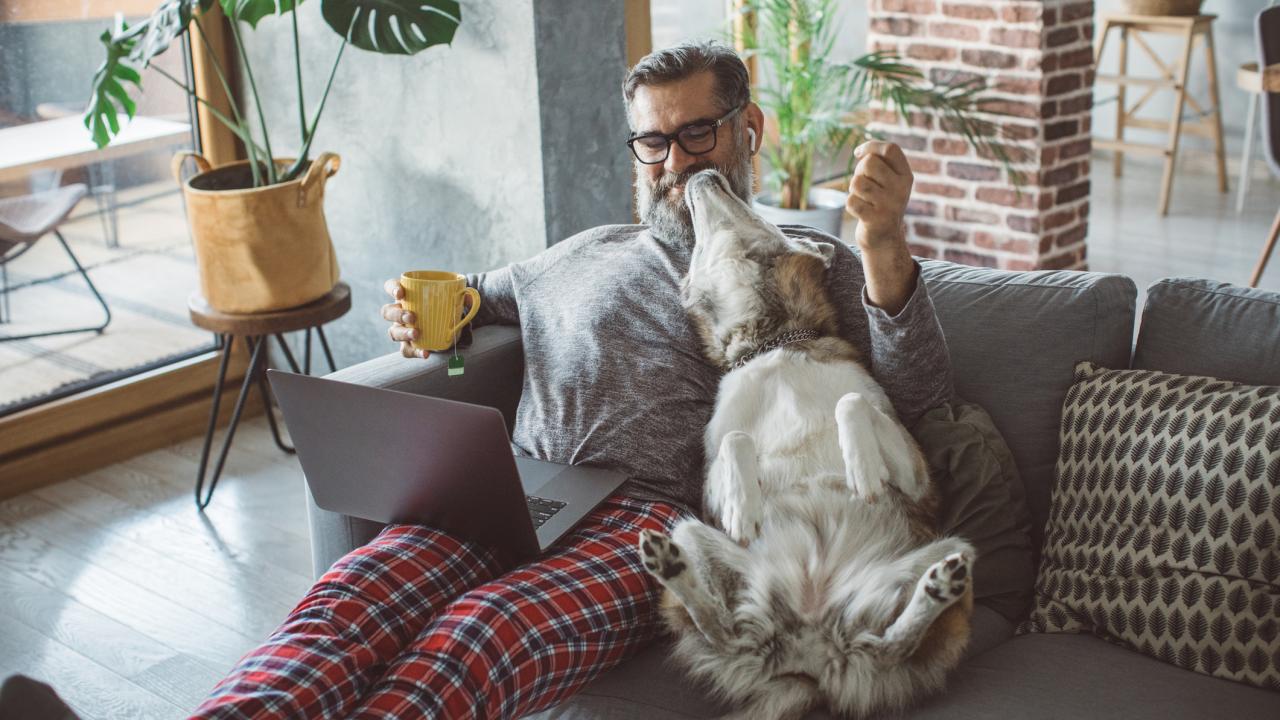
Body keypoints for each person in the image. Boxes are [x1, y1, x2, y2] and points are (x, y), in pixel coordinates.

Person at [192, 40, 951, 719]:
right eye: (654, 142)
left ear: (747, 132)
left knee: (479, 637)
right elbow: (466, 292)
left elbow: (918, 403)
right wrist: (422, 310)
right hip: (508, 493)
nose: (676, 164)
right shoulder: (579, 253)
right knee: (343, 605)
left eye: (697, 134)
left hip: (641, 522)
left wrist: (884, 247)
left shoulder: (796, 261)